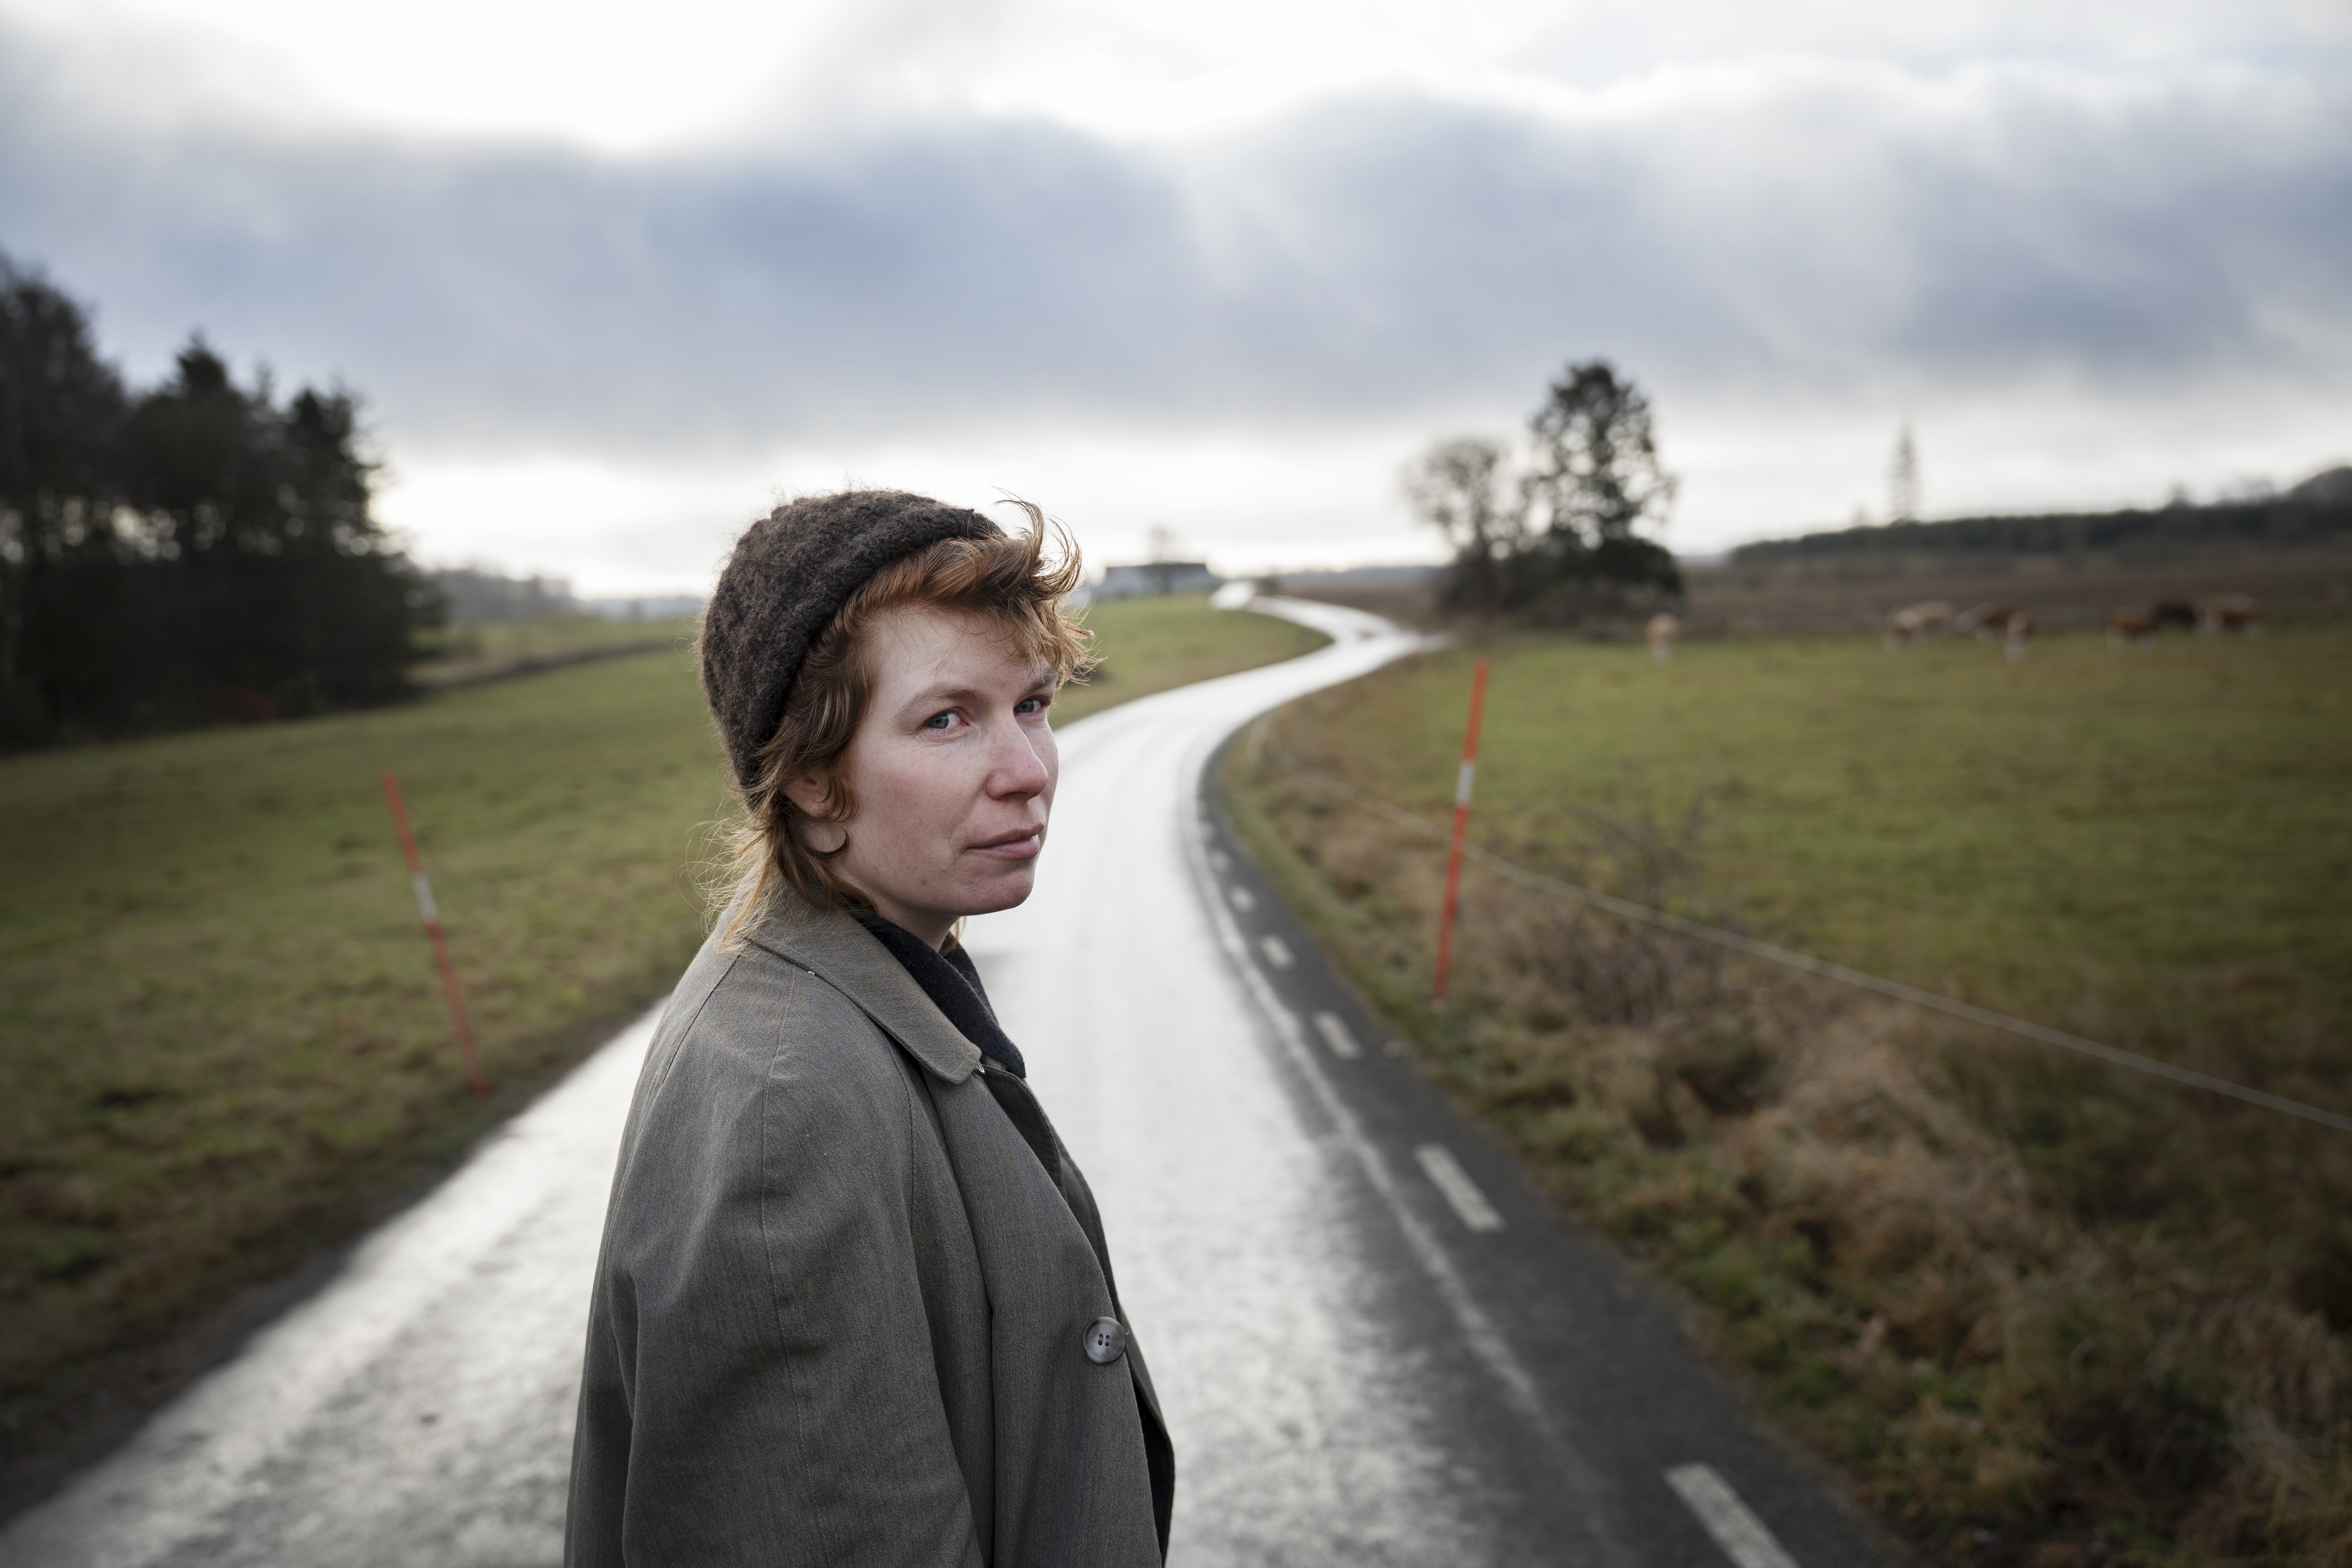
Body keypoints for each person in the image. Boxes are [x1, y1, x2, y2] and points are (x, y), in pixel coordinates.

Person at [566, 491, 1174, 1567]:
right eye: (949, 720)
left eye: (1031, 704)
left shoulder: (891, 972)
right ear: (808, 778)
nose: (1029, 771)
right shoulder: (784, 1108)